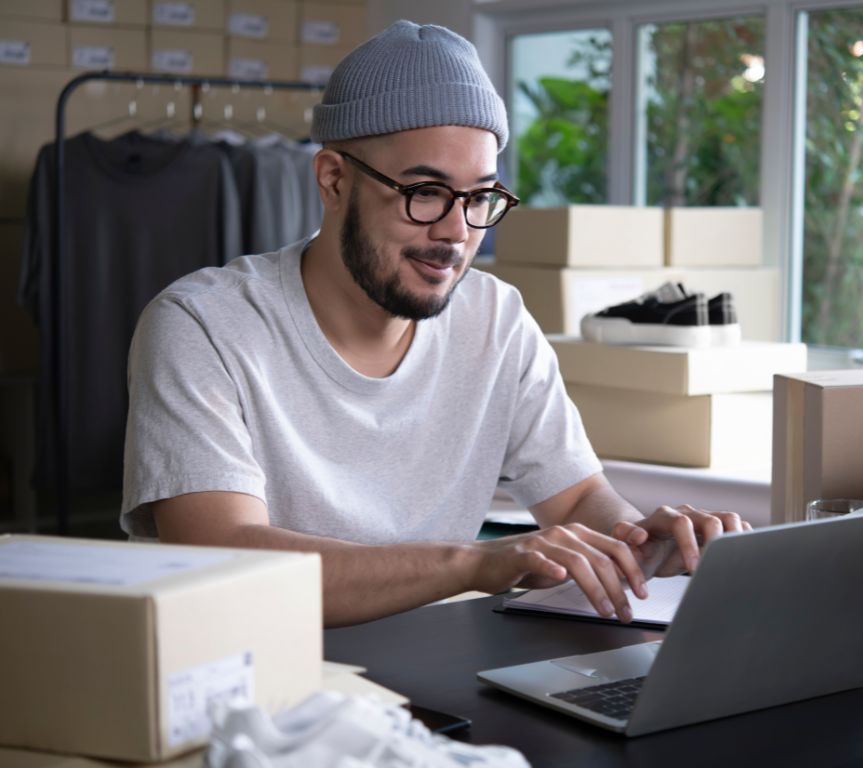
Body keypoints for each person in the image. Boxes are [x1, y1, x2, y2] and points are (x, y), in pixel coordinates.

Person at [120, 20, 751, 627]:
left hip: (432, 671)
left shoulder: (495, 319)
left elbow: (579, 497)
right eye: (425, 190)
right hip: (255, 686)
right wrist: (477, 562)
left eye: (480, 197)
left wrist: (640, 538)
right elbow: (224, 556)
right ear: (334, 179)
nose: (455, 231)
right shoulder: (202, 326)